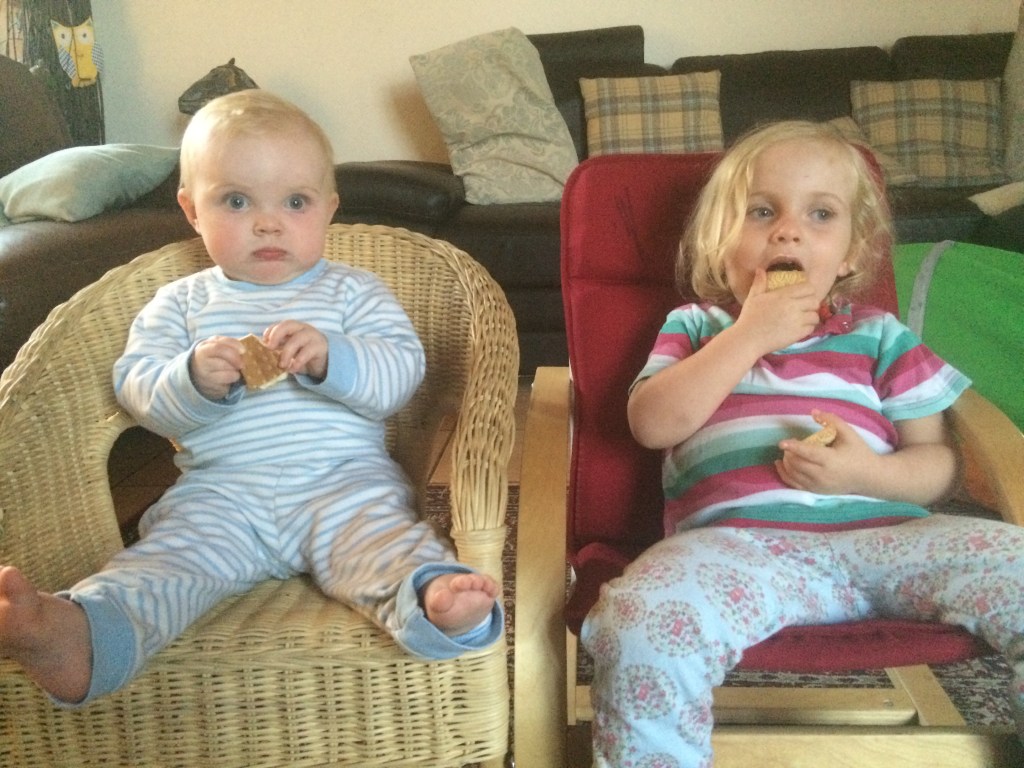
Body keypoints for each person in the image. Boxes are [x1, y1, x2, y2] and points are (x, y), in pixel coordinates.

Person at [0, 89, 501, 706]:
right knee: (165, 565)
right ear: (192, 210)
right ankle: (80, 635)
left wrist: (334, 356)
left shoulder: (354, 293)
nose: (268, 222)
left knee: (387, 546)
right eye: (236, 201)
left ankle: (434, 601)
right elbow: (139, 392)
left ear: (329, 209)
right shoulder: (179, 304)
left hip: (344, 482)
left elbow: (402, 374)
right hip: (221, 494)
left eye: (295, 202)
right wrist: (191, 379)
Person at [581, 120, 1024, 767]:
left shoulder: (880, 335)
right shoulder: (698, 326)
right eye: (762, 211)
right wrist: (748, 336)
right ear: (719, 242)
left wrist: (865, 476)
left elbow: (938, 465)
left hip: (892, 540)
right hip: (738, 551)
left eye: (820, 214)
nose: (789, 231)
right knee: (643, 621)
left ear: (849, 253)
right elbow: (653, 424)